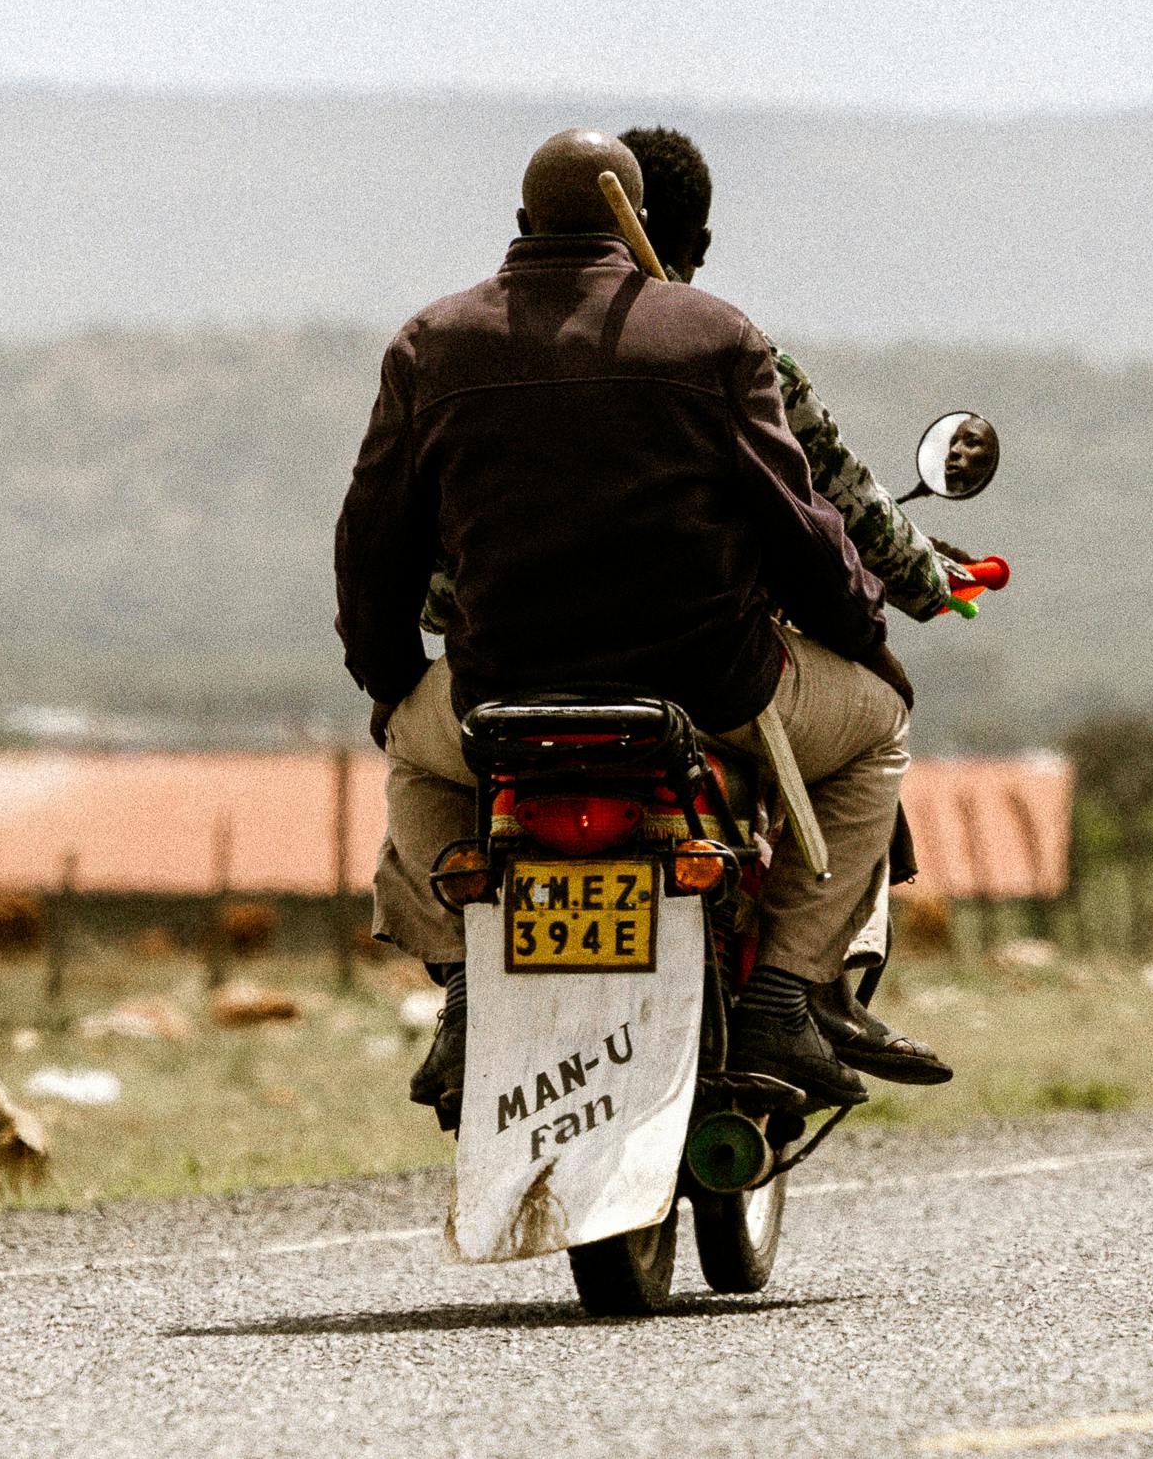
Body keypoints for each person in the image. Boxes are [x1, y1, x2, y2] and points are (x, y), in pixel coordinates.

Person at [336, 130, 938, 1125]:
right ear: (642, 228)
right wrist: (866, 633)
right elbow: (803, 529)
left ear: (523, 226)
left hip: (500, 695)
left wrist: (391, 676)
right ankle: (786, 998)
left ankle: (460, 992)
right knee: (877, 730)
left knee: (411, 754)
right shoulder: (711, 336)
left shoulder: (428, 345)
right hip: (713, 691)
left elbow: (371, 543)